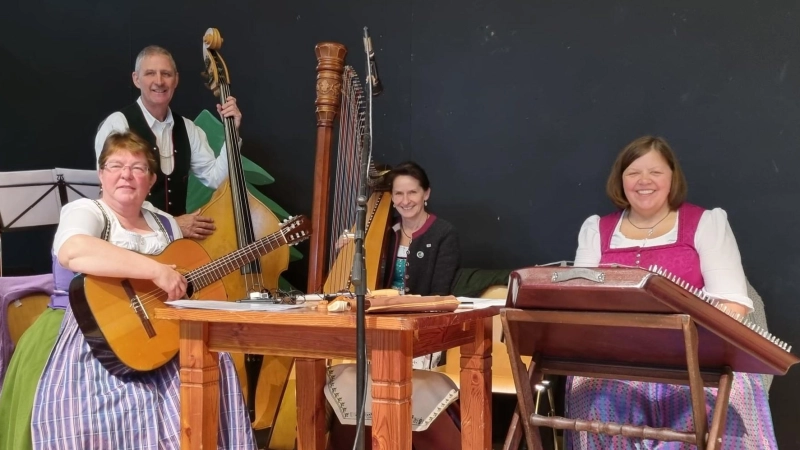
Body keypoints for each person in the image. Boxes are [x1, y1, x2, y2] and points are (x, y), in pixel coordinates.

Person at [0, 131, 255, 450]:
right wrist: (155, 270)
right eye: (116, 165)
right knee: (103, 414)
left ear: (150, 180)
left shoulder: (164, 222)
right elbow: (74, 251)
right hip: (85, 334)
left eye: (137, 168)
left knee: (214, 371)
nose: (126, 174)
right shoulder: (87, 211)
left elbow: (176, 278)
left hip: (157, 335)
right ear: (101, 175)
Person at [568, 135, 776, 449]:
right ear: (620, 180)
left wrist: (689, 346)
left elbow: (732, 304)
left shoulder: (706, 223)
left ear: (672, 178)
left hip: (695, 357)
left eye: (655, 172)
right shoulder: (596, 229)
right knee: (594, 396)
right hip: (618, 359)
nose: (644, 181)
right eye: (633, 173)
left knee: (705, 406)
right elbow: (579, 300)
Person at [327, 161, 462, 450]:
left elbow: (439, 294)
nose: (405, 201)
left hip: (421, 328)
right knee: (351, 374)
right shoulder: (382, 233)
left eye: (412, 193)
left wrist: (399, 302)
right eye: (398, 194)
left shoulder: (444, 234)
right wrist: (349, 249)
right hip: (380, 326)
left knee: (393, 379)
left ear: (426, 193)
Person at [94, 45, 242, 240]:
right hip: (132, 242)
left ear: (176, 80)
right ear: (136, 79)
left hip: (177, 244)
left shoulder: (188, 128)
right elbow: (113, 194)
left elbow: (216, 178)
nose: (159, 81)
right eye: (150, 73)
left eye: (166, 74)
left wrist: (232, 131)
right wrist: (170, 223)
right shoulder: (118, 124)